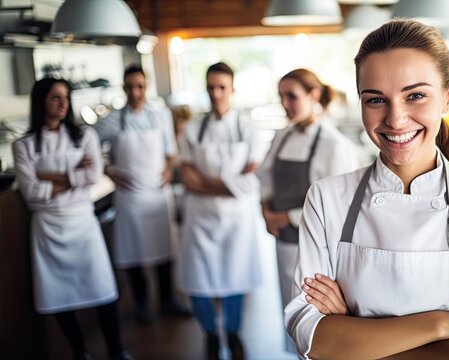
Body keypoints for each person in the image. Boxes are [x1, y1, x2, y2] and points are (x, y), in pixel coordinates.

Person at [284, 19, 449, 359]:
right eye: (375, 100)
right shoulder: (327, 199)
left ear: (447, 99)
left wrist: (353, 331)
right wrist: (443, 324)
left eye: (415, 95)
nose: (396, 119)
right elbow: (312, 338)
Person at [12, 78, 133, 360]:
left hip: (82, 222)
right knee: (58, 295)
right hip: (48, 227)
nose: (63, 103)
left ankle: (117, 350)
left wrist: (48, 177)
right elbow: (31, 193)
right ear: (41, 101)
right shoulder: (25, 145)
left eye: (66, 97)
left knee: (103, 287)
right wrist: (73, 177)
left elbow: (93, 176)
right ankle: (81, 351)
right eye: (56, 98)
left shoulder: (85, 136)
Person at [257, 68, 360, 353]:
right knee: (290, 313)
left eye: (291, 96)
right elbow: (264, 176)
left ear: (314, 95)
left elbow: (339, 208)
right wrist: (265, 207)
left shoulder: (334, 145)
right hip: (283, 243)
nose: (285, 104)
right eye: (281, 97)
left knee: (315, 323)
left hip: (316, 251)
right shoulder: (283, 136)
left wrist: (283, 216)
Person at [177, 62, 263, 360]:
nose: (216, 93)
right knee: (198, 281)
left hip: (236, 222)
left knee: (235, 278)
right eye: (211, 87)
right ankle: (211, 334)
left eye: (222, 87)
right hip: (200, 218)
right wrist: (229, 184)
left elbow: (252, 179)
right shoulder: (192, 128)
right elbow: (186, 177)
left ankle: (234, 334)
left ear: (232, 89)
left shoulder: (248, 128)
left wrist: (206, 183)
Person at [94, 65, 190, 323]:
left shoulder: (160, 116)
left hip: (158, 193)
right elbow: (88, 146)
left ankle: (168, 301)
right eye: (130, 87)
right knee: (133, 252)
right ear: (124, 89)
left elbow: (170, 151)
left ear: (146, 87)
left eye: (140, 86)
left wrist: (169, 170)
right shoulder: (113, 120)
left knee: (164, 249)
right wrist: (109, 171)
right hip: (130, 197)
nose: (136, 92)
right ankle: (141, 305)